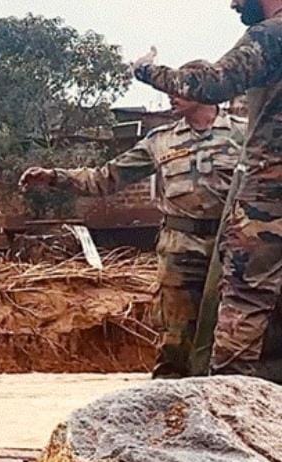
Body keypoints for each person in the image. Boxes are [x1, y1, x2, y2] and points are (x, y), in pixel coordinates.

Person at [19, 87, 246, 379]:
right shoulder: (160, 141)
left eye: (179, 90)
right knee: (175, 336)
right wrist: (54, 177)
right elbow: (106, 178)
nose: (170, 96)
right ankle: (170, 405)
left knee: (235, 331)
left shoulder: (244, 134)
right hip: (180, 249)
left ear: (204, 90)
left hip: (232, 246)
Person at [132, 0, 282, 380]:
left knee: (246, 304)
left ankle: (233, 412)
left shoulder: (273, 33)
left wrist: (145, 69)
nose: (233, 3)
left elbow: (208, 84)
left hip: (269, 200)